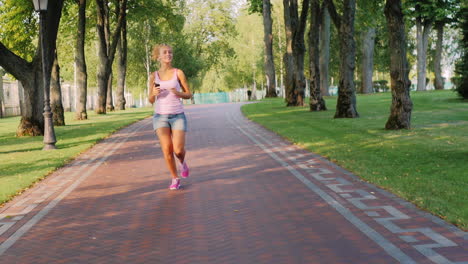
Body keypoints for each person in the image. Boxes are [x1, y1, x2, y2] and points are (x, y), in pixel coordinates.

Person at [148, 44, 192, 190]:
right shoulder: (154, 76)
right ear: (159, 56)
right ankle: (175, 178)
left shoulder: (178, 73)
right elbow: (150, 100)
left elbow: (189, 94)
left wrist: (178, 93)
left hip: (178, 115)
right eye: (165, 52)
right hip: (160, 117)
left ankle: (183, 162)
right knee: (167, 149)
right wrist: (153, 94)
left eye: (170, 52)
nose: (168, 54)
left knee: (178, 150)